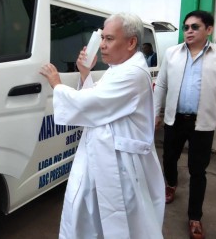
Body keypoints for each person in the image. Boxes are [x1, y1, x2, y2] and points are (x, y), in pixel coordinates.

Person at [40, 13, 165, 239]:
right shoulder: (119, 68)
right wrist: (86, 72)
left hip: (120, 162)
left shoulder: (133, 73)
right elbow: (102, 101)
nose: (103, 46)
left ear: (131, 43)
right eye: (102, 38)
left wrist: (57, 85)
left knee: (121, 221)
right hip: (102, 154)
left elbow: (93, 103)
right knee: (91, 216)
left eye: (109, 39)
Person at [153, 10, 216, 239]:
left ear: (208, 30)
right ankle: (171, 184)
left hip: (203, 123)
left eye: (195, 27)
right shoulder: (172, 53)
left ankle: (195, 218)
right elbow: (161, 85)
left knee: (198, 171)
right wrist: (155, 113)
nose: (188, 31)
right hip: (175, 119)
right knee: (168, 159)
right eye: (186, 27)